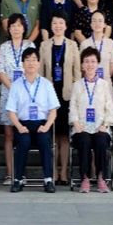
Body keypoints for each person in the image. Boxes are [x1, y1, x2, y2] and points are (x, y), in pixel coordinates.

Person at [6, 48, 60, 193]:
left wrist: (47, 126)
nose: (31, 63)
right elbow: (11, 111)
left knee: (44, 141)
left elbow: (53, 110)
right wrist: (18, 126)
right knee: (23, 141)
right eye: (27, 60)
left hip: (42, 124)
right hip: (23, 124)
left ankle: (48, 180)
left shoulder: (46, 84)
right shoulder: (16, 85)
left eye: (34, 60)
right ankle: (18, 179)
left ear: (39, 63)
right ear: (23, 64)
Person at [70, 47, 113, 193]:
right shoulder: (77, 85)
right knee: (84, 140)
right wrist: (76, 123)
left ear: (98, 64)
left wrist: (105, 124)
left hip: (100, 127)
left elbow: (110, 109)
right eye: (86, 61)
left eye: (93, 61)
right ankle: (85, 178)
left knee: (101, 140)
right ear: (82, 65)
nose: (90, 64)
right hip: (82, 127)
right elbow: (73, 107)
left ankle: (101, 177)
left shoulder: (104, 85)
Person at [0, 14, 35, 185]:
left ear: (24, 28)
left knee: (23, 134)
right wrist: (13, 88)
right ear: (8, 29)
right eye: (13, 25)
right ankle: (9, 173)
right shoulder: (4, 47)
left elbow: (33, 68)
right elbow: (1, 70)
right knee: (8, 135)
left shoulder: (30, 45)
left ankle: (21, 173)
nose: (16, 28)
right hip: (8, 94)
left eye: (19, 25)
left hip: (26, 95)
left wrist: (21, 90)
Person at [41, 13, 78, 181]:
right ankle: (53, 171)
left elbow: (77, 73)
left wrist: (76, 96)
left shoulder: (73, 45)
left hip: (67, 96)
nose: (58, 26)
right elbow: (41, 73)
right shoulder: (44, 45)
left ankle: (63, 172)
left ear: (66, 26)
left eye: (61, 23)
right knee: (52, 135)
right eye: (54, 23)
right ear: (51, 26)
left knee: (64, 135)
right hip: (50, 95)